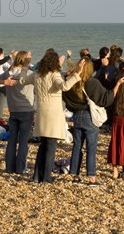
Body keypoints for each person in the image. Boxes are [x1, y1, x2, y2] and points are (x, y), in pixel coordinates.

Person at [19, 52, 84, 183]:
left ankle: (37, 176)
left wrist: (25, 67)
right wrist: (78, 73)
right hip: (53, 115)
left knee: (43, 145)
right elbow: (64, 86)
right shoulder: (54, 75)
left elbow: (21, 80)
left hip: (41, 113)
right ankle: (46, 177)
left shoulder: (36, 74)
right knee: (51, 146)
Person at [63, 57, 119, 185]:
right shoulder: (92, 83)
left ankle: (75, 175)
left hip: (77, 116)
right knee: (91, 147)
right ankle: (91, 177)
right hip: (90, 116)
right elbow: (106, 99)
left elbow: (65, 94)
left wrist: (67, 75)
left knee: (77, 146)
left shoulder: (73, 83)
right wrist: (117, 85)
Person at [4, 51, 35, 174]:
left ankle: (10, 167)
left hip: (13, 109)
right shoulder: (29, 74)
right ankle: (21, 167)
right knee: (23, 140)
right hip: (26, 109)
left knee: (12, 139)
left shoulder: (9, 73)